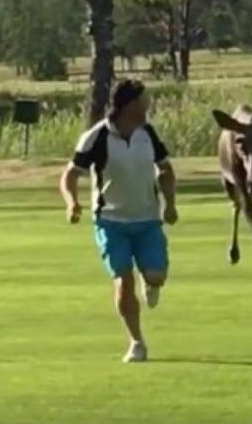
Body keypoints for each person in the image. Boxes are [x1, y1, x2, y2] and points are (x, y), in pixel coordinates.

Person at [59, 79, 178, 363]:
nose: (149, 105)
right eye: (145, 100)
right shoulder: (96, 137)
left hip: (148, 220)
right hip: (111, 221)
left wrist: (170, 203)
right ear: (130, 105)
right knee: (122, 281)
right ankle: (136, 342)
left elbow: (165, 168)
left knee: (155, 276)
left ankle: (151, 282)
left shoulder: (147, 132)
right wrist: (72, 202)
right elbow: (70, 175)